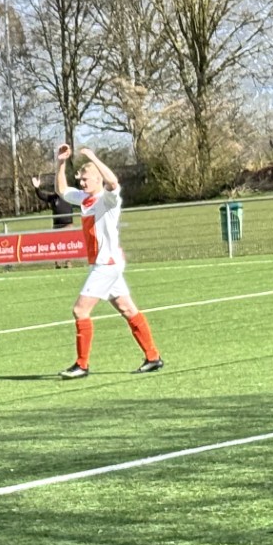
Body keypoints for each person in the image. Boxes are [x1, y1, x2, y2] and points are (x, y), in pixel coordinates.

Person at [53, 143, 162, 379]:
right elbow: (62, 189)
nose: (82, 182)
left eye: (86, 178)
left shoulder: (108, 199)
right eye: (80, 179)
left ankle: (82, 365)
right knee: (127, 308)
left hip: (106, 265)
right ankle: (153, 357)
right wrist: (61, 162)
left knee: (80, 311)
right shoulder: (84, 199)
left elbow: (113, 183)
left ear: (98, 179)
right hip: (104, 264)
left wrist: (94, 157)